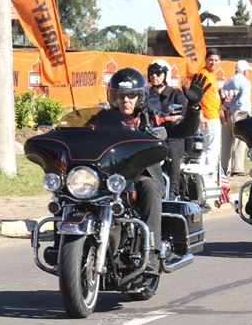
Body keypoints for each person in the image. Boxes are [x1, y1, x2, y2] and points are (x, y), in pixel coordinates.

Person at [88, 67, 209, 272]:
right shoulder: (100, 120)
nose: (126, 100)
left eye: (131, 95)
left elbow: (183, 130)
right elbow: (80, 133)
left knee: (150, 187)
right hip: (105, 178)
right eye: (121, 95)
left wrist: (194, 107)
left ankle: (151, 251)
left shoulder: (151, 118)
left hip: (138, 177)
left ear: (140, 97)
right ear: (113, 97)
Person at [146, 59, 187, 199]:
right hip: (148, 137)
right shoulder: (144, 94)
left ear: (166, 75)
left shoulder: (176, 94)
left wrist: (174, 117)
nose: (154, 76)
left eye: (158, 73)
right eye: (152, 73)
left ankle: (173, 192)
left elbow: (183, 111)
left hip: (171, 135)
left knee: (172, 150)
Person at [220, 60, 252, 176]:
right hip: (239, 113)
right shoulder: (245, 82)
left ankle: (224, 167)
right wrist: (233, 109)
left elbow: (223, 96)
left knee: (226, 142)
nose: (248, 72)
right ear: (244, 71)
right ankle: (237, 168)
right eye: (248, 70)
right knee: (239, 141)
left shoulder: (229, 81)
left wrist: (226, 110)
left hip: (226, 113)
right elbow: (242, 100)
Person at [198, 49, 222, 167]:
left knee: (207, 148)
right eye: (211, 60)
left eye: (216, 60)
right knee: (212, 149)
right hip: (208, 116)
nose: (213, 63)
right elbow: (196, 96)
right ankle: (209, 174)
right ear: (206, 60)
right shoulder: (203, 74)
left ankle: (204, 174)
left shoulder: (211, 74)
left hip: (213, 114)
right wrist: (200, 115)